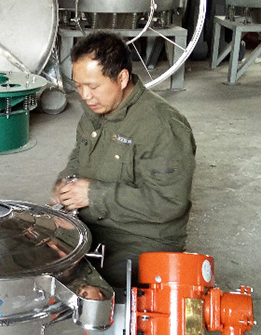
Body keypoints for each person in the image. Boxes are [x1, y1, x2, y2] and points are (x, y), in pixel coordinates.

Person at [51, 31, 196, 289]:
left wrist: (94, 195)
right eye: (78, 85)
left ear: (122, 78)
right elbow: (79, 155)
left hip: (140, 241)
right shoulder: (95, 110)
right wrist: (65, 185)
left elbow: (168, 202)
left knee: (90, 290)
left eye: (93, 86)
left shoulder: (162, 126)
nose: (84, 96)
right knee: (26, 253)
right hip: (90, 225)